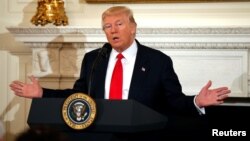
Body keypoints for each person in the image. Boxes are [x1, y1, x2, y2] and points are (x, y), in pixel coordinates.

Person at [10, 6, 230, 138]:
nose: (113, 30)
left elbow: (173, 102)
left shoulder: (157, 61)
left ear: (133, 27)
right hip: (99, 135)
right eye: (107, 26)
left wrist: (197, 102)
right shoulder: (94, 59)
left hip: (143, 137)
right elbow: (79, 98)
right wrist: (43, 94)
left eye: (119, 24)